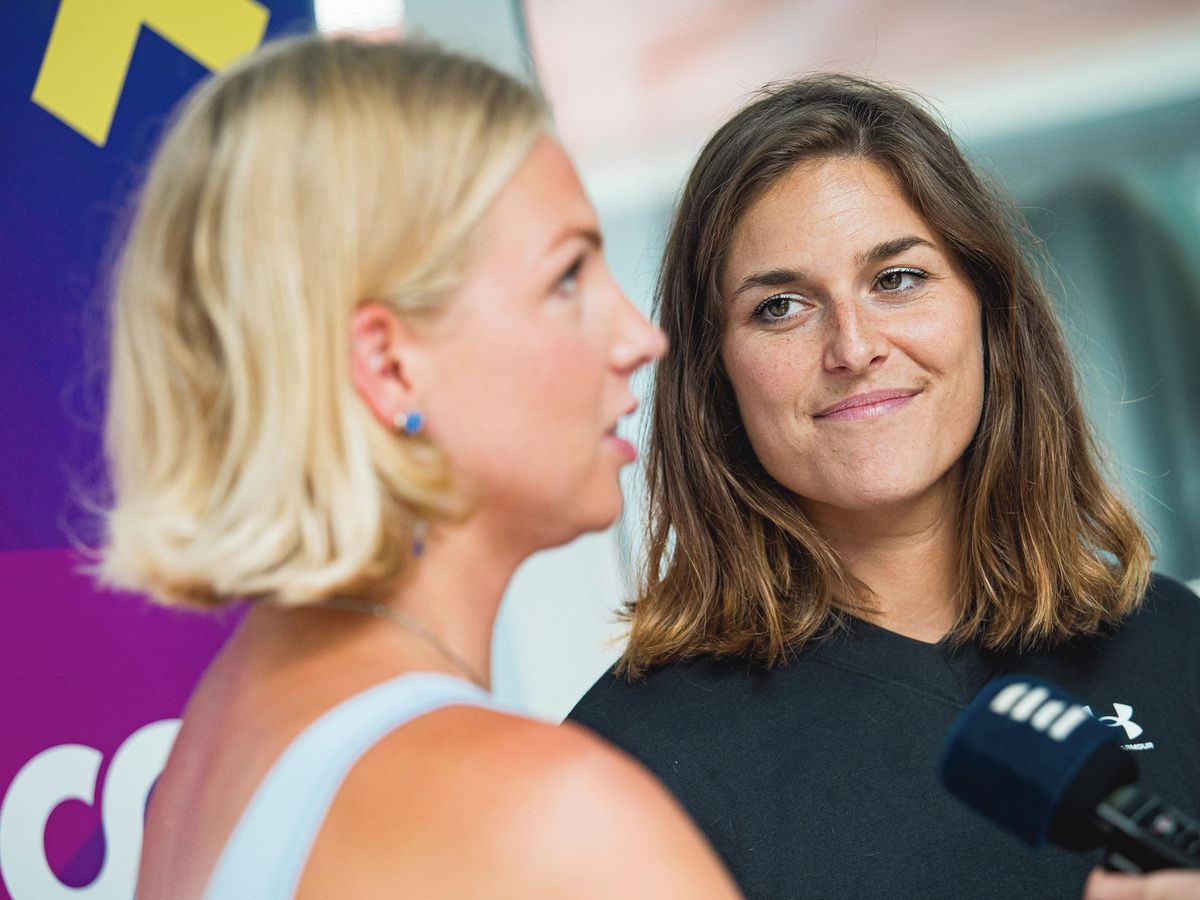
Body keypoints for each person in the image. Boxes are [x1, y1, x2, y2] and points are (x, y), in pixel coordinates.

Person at [98, 34, 740, 899]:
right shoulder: (548, 818)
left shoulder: (218, 746)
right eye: (566, 277)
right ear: (389, 365)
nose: (641, 338)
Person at [569, 73, 1200, 899]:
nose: (854, 347)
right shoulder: (624, 772)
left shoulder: (1175, 645)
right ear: (714, 376)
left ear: (989, 311)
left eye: (896, 279)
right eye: (782, 306)